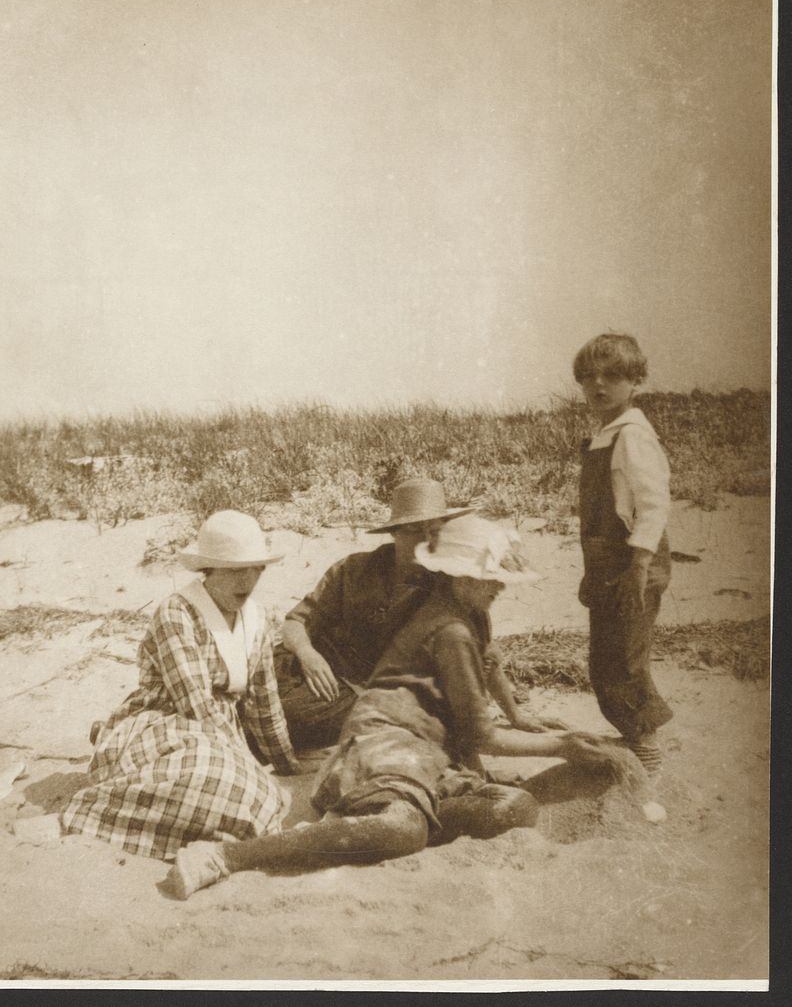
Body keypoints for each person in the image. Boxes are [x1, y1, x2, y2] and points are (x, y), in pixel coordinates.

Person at [165, 516, 611, 898]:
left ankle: (355, 826)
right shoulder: (441, 620)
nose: (497, 586)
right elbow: (482, 735)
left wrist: (519, 716)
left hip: (427, 746)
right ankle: (226, 856)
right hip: (386, 737)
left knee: (513, 808)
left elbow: (487, 663)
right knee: (403, 832)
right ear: (460, 575)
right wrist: (563, 745)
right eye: (488, 578)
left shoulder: (460, 609)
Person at [60, 510, 299, 860]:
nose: (246, 581)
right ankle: (91, 808)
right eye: (234, 570)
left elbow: (264, 700)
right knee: (217, 776)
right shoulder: (177, 612)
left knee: (246, 789)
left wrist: (286, 761)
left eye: (255, 569)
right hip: (166, 722)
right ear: (209, 570)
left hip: (219, 734)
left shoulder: (258, 619)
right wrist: (243, 762)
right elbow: (195, 704)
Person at [274, 478, 474, 749]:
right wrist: (308, 655)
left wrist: (515, 716)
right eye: (414, 529)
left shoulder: (448, 585)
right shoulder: (355, 569)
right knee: (256, 681)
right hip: (313, 665)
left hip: (360, 692)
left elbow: (479, 651)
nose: (426, 539)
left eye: (434, 530)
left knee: (291, 716)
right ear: (395, 532)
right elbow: (295, 622)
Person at [573, 332, 673, 775]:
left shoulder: (632, 435)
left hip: (633, 564)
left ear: (636, 382)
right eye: (588, 377)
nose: (599, 386)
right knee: (606, 656)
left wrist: (638, 566)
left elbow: (653, 505)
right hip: (607, 564)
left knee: (625, 658)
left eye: (612, 376)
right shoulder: (606, 434)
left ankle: (645, 746)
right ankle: (634, 733)